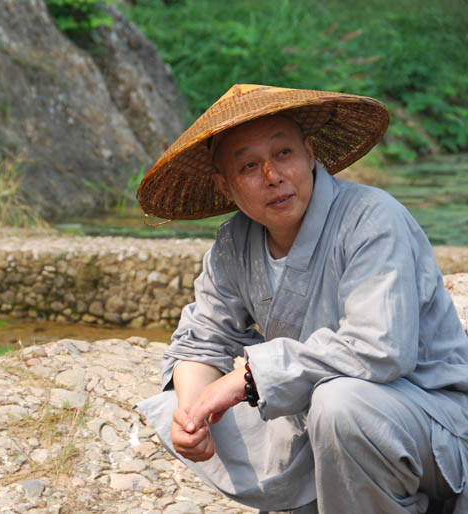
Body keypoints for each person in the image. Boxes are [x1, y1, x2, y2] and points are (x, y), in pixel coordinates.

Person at [135, 84, 468, 514]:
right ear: (224, 185)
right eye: (249, 165)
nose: (272, 175)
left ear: (310, 154)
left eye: (284, 153)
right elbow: (201, 341)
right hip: (321, 419)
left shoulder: (371, 218)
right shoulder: (233, 245)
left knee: (339, 405)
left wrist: (246, 379)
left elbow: (380, 349)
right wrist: (192, 413)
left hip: (427, 420)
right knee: (176, 404)